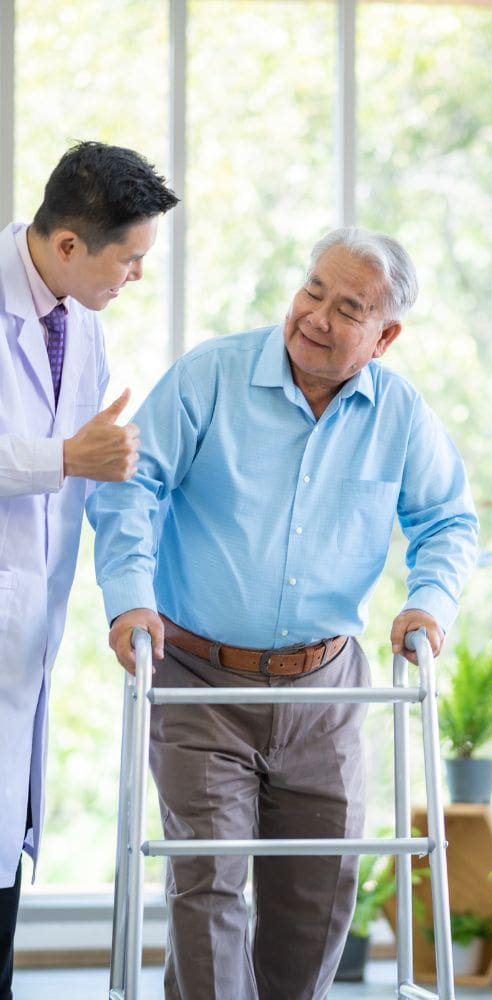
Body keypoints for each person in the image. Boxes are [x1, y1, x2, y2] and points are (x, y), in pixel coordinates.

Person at [87, 226, 479, 1000]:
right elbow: (133, 488)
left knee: (318, 898)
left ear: (386, 334)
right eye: (313, 291)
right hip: (200, 680)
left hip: (326, 690)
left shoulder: (398, 414)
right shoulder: (210, 377)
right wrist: (130, 597)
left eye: (349, 308)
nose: (317, 318)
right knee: (209, 888)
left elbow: (449, 521)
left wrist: (429, 605)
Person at [0, 141, 178, 998]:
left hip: (23, 642)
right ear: (69, 245)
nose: (138, 275)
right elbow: (62, 461)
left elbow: (92, 475)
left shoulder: (84, 324)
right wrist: (63, 455)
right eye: (131, 256)